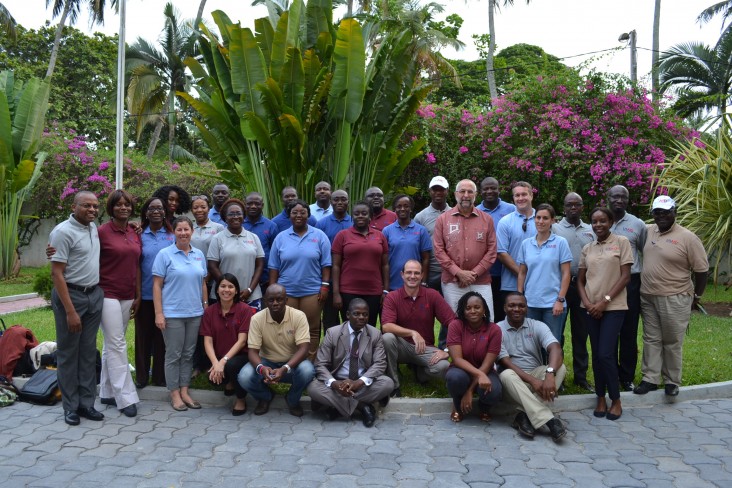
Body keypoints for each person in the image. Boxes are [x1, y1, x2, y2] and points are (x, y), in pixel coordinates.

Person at [634, 196, 708, 397]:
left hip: (675, 296)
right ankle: (650, 378)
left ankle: (671, 381)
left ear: (674, 212)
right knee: (651, 338)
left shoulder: (688, 237)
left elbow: (702, 270)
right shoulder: (649, 231)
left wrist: (697, 297)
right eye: (658, 212)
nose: (662, 216)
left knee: (672, 340)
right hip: (648, 296)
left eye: (666, 212)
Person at [50, 191, 106, 426]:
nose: (92, 210)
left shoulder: (92, 227)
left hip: (94, 295)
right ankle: (70, 407)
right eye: (86, 206)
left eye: (95, 206)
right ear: (74, 206)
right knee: (68, 354)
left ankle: (86, 404)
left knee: (87, 352)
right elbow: (57, 273)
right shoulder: (63, 232)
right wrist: (70, 311)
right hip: (71, 296)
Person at [577, 207, 633, 420]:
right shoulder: (588, 248)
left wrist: (604, 302)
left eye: (602, 221)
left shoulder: (621, 243)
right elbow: (580, 280)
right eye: (594, 221)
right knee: (597, 354)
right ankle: (600, 397)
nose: (598, 225)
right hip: (590, 308)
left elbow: (625, 277)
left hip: (614, 308)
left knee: (606, 353)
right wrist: (588, 303)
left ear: (611, 222)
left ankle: (616, 399)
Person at [307, 299, 393, 427]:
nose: (361, 317)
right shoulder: (333, 333)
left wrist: (358, 382)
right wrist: (336, 384)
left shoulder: (375, 334)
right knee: (313, 387)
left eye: (365, 314)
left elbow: (380, 363)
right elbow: (320, 364)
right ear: (348, 315)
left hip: (362, 382)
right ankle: (362, 406)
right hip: (338, 382)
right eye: (356, 314)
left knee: (387, 383)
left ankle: (337, 408)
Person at [153, 216, 208, 411]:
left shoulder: (199, 254)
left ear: (192, 232)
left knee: (188, 354)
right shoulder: (165, 255)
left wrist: (205, 307)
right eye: (179, 230)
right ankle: (174, 393)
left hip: (194, 313)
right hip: (172, 314)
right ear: (174, 232)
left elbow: (202, 283)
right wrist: (159, 313)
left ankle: (185, 390)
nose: (183, 233)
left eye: (187, 229)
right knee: (174, 354)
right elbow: (157, 285)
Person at [497, 293, 568, 442]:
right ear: (504, 308)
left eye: (521, 306)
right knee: (506, 374)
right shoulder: (497, 330)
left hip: (537, 377)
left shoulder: (537, 325)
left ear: (526, 308)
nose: (516, 309)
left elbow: (556, 349)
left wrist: (549, 374)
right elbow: (505, 362)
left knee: (560, 368)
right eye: (512, 305)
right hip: (513, 384)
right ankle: (550, 420)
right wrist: (534, 381)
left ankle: (523, 416)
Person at [97, 190, 142, 418]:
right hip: (107, 293)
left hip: (127, 294)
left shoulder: (134, 231)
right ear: (111, 208)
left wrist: (137, 294)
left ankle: (106, 391)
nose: (123, 208)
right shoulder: (102, 232)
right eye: (118, 205)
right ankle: (125, 398)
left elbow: (136, 264)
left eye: (127, 204)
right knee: (117, 344)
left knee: (113, 343)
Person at [238, 284, 316, 417]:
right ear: (265, 301)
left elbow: (304, 348)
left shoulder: (298, 316)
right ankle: (265, 397)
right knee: (244, 377)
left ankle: (292, 400)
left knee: (307, 370)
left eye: (279, 299)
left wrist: (285, 368)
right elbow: (252, 351)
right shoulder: (257, 319)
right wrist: (262, 369)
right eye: (271, 300)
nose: (275, 303)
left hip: (292, 364)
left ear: (286, 300)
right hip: (267, 362)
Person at [381, 260, 456, 397]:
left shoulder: (432, 295)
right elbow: (386, 326)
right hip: (401, 346)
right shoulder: (392, 297)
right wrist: (412, 332)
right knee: (387, 338)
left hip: (424, 347)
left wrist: (447, 350)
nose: (412, 276)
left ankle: (421, 373)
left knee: (443, 367)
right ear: (402, 275)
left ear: (422, 276)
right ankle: (394, 385)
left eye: (416, 273)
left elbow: (453, 323)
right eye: (409, 272)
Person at [269, 199, 332, 359]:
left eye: (302, 212)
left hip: (312, 291)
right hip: (286, 292)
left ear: (308, 215)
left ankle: (310, 362)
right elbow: (274, 267)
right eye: (294, 212)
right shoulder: (281, 237)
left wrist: (325, 286)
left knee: (312, 328)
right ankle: (290, 362)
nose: (299, 215)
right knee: (287, 328)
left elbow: (326, 264)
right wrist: (272, 290)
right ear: (289, 216)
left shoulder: (319, 236)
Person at [433, 179, 497, 319]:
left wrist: (473, 274)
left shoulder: (487, 219)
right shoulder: (443, 220)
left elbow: (492, 251)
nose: (466, 195)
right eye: (462, 191)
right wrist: (458, 273)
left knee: (487, 320)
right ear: (456, 194)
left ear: (476, 195)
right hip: (453, 282)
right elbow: (439, 250)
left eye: (470, 192)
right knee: (456, 322)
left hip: (481, 281)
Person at [552, 193, 595, 392]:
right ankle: (557, 374)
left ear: (583, 207)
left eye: (577, 205)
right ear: (564, 207)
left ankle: (580, 376)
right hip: (560, 286)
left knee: (581, 333)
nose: (573, 208)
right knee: (557, 334)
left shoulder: (590, 229)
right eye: (569, 205)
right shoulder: (555, 228)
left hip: (583, 286)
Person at [608, 185, 647, 392]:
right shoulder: (600, 221)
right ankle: (610, 373)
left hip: (631, 283)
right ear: (608, 198)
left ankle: (627, 376)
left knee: (629, 332)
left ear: (628, 200)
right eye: (615, 196)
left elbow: (644, 251)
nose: (619, 200)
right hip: (607, 283)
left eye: (623, 197)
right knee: (609, 330)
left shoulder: (637, 224)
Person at [516, 203, 572, 345]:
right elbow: (522, 272)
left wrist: (560, 300)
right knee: (532, 343)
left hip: (552, 304)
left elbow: (566, 273)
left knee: (552, 343)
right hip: (531, 303)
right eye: (538, 217)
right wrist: (520, 297)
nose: (541, 221)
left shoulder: (561, 243)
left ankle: (552, 368)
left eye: (545, 218)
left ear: (553, 220)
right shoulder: (526, 244)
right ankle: (536, 368)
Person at [200, 274, 254, 416]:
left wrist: (223, 362)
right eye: (223, 286)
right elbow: (208, 341)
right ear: (217, 290)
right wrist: (215, 363)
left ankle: (241, 399)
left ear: (236, 291)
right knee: (214, 379)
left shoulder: (244, 310)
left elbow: (242, 340)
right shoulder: (210, 311)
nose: (226, 290)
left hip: (242, 355)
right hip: (219, 355)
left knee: (231, 366)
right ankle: (229, 381)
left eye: (231, 287)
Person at [135, 197, 175, 389]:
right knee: (143, 338)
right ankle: (142, 377)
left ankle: (159, 377)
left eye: (160, 208)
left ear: (165, 211)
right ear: (146, 212)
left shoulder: (172, 235)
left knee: (162, 339)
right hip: (144, 294)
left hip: (167, 297)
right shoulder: (139, 234)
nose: (156, 211)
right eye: (152, 208)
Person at [446, 292, 502, 423]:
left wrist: (470, 391)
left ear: (484, 310)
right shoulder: (455, 326)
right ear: (463, 311)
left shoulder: (494, 329)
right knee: (455, 379)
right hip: (461, 369)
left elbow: (488, 364)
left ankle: (484, 407)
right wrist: (479, 375)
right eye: (468, 308)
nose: (472, 311)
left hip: (485, 369)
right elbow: (457, 359)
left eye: (477, 307)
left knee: (495, 392)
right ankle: (457, 403)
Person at [331, 201, 389, 326]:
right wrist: (336, 292)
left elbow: (385, 265)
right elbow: (336, 265)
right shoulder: (342, 236)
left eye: (364, 213)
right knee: (349, 326)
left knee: (369, 325)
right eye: (356, 213)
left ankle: (367, 347)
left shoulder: (380, 236)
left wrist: (385, 290)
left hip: (373, 291)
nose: (360, 216)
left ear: (370, 217)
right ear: (352, 217)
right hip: (348, 290)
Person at [207, 198, 265, 310]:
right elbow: (212, 266)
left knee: (251, 327)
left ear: (244, 216)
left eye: (239, 213)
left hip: (251, 295)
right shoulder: (217, 239)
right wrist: (228, 289)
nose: (235, 217)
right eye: (231, 214)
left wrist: (250, 289)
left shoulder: (253, 237)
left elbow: (260, 265)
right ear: (225, 217)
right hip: (224, 296)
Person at [476, 177, 516, 322]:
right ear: (480, 191)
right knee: (485, 313)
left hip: (507, 272)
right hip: (483, 272)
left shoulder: (511, 209)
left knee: (504, 313)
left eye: (493, 188)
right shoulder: (476, 211)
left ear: (499, 189)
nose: (489, 191)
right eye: (486, 188)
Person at [316, 189, 353, 330]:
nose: (340, 202)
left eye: (343, 199)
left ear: (348, 202)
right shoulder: (322, 224)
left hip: (350, 279)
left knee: (350, 319)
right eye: (336, 199)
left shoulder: (354, 222)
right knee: (330, 321)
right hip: (329, 278)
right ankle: (331, 350)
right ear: (331, 202)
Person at [382, 194, 431, 291]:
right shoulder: (387, 231)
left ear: (411, 209)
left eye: (406, 206)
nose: (402, 209)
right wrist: (385, 287)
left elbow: (426, 259)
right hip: (393, 284)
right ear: (394, 209)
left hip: (414, 283)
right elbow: (384, 261)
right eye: (399, 206)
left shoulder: (421, 230)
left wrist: (423, 281)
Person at [497, 181, 537, 297]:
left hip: (539, 284)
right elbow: (501, 253)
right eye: (517, 195)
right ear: (513, 198)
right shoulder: (505, 222)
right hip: (511, 285)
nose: (520, 198)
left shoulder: (542, 220)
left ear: (531, 195)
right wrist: (523, 275)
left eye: (524, 194)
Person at [414, 176, 450, 294]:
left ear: (447, 191)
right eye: (435, 189)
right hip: (430, 271)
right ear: (429, 191)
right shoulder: (420, 217)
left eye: (441, 189)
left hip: (451, 271)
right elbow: (417, 246)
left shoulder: (455, 214)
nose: (438, 193)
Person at [243, 192, 279, 294]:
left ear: (262, 205)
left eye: (257, 204)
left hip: (265, 279)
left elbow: (275, 253)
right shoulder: (239, 224)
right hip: (243, 277)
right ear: (245, 204)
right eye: (250, 203)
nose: (253, 206)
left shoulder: (271, 226)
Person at [190, 194, 225, 259]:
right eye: (195, 208)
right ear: (192, 210)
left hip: (212, 267)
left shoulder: (218, 228)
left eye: (203, 207)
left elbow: (223, 252)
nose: (199, 210)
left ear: (209, 209)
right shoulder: (188, 228)